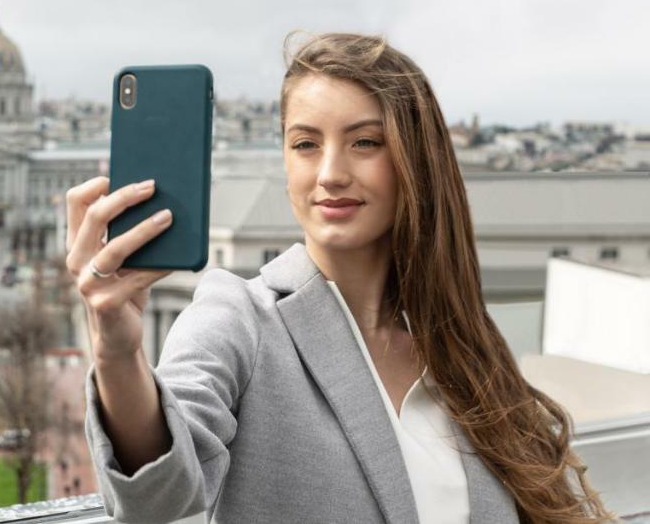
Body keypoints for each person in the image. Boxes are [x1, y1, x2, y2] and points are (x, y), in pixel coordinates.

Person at [70, 33, 611, 524]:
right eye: (306, 144)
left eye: (364, 142)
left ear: (413, 162)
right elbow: (155, 497)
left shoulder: (463, 342)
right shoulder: (238, 319)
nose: (330, 173)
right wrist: (116, 350)